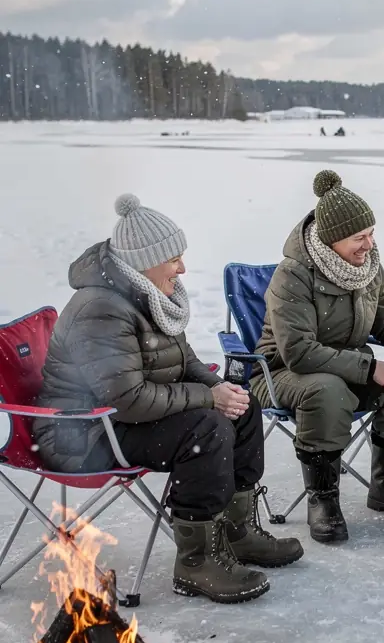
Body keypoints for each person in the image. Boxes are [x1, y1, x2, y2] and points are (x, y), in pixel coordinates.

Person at [34, 195, 303, 603]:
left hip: (120, 418)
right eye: (174, 259)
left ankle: (238, 533)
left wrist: (223, 393)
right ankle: (196, 563)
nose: (183, 269)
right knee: (206, 428)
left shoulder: (147, 293)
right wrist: (207, 399)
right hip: (84, 431)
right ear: (145, 261)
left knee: (241, 408)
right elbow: (127, 398)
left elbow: (184, 361)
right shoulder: (101, 309)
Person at [250, 170, 384, 543]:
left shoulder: (368, 267)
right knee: (327, 392)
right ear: (331, 240)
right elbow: (297, 351)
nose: (369, 244)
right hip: (281, 374)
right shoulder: (292, 276)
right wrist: (371, 367)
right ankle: (323, 500)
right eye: (358, 237)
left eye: (371, 233)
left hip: (345, 370)